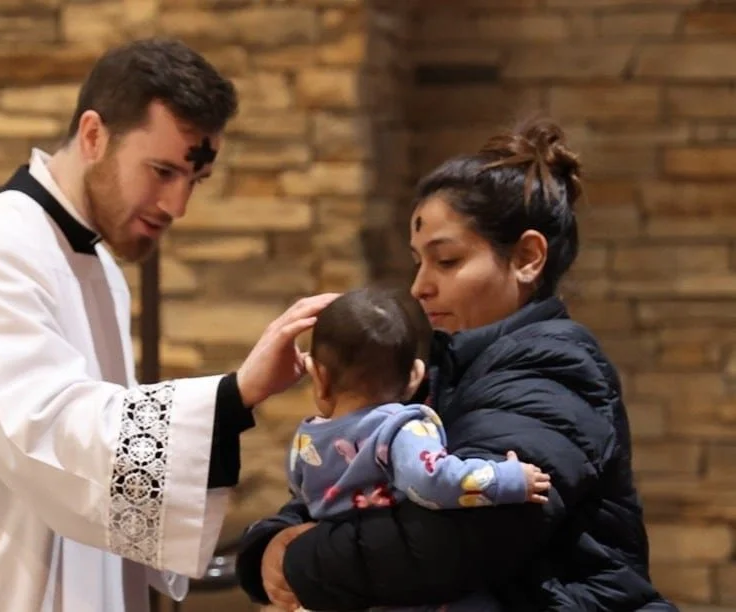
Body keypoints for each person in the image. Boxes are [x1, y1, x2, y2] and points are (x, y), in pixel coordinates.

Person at [0, 38, 336, 612]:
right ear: (94, 135)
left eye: (193, 180)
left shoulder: (96, 266)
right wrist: (232, 396)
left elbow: (101, 464)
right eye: (162, 171)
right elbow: (45, 433)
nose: (177, 205)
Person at [236, 117, 678, 611]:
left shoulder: (555, 369)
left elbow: (453, 537)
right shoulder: (440, 368)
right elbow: (344, 475)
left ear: (527, 257)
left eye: (446, 261)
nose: (419, 287)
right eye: (418, 262)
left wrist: (297, 559)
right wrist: (270, 544)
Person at [286, 287, 551, 612]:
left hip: (343, 583)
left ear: (319, 376)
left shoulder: (305, 441)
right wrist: (508, 479)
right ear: (415, 376)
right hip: (407, 586)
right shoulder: (400, 428)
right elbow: (435, 481)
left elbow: (301, 497)